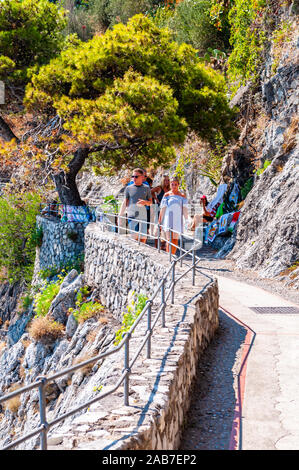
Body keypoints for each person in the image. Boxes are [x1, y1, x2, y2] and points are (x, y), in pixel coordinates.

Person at [119, 168, 152, 243]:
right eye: (132, 176)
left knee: (143, 238)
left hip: (143, 216)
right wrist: (120, 216)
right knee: (134, 238)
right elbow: (125, 202)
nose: (134, 178)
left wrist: (145, 202)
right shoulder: (128, 188)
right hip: (132, 216)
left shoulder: (146, 188)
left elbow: (150, 202)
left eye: (136, 176)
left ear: (142, 177)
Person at [158, 176, 189, 254]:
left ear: (178, 185)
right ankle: (169, 256)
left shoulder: (182, 196)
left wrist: (187, 220)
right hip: (168, 219)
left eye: (175, 184)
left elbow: (185, 209)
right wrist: (160, 221)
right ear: (170, 185)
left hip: (178, 219)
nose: (174, 186)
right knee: (169, 239)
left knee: (175, 239)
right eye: (172, 184)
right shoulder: (167, 195)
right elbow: (163, 208)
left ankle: (173, 255)